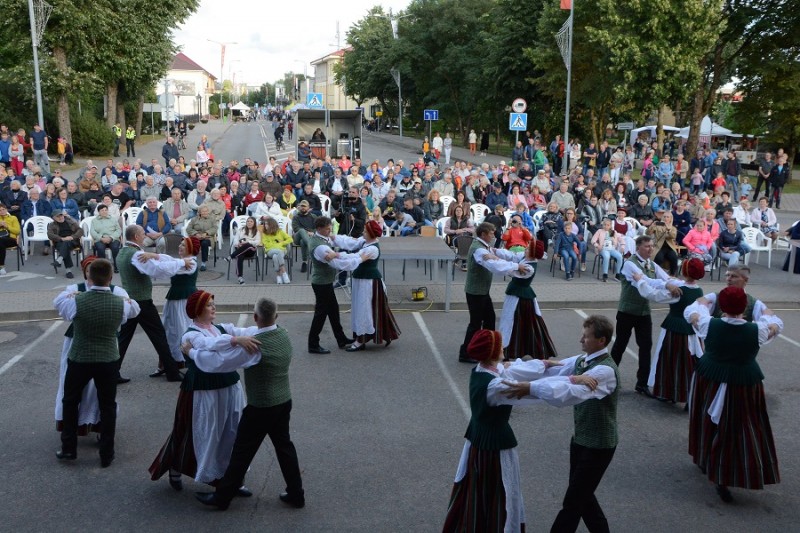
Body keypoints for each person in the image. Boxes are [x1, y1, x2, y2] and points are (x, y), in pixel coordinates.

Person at [501, 315, 620, 533]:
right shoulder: (583, 361)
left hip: (599, 445)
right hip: (581, 441)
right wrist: (512, 368)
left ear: (601, 341)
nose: (580, 340)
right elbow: (553, 368)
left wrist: (532, 388)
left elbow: (570, 392)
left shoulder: (605, 371)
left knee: (573, 502)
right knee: (583, 497)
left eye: (586, 337)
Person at [191, 297, 305, 510]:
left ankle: (222, 498)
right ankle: (296, 494)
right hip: (283, 400)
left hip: (261, 406)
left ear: (255, 317)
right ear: (276, 317)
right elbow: (251, 333)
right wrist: (236, 337)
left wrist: (191, 351)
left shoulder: (255, 347)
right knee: (284, 447)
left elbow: (219, 363)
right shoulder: (282, 334)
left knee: (241, 451)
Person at [149, 290, 259, 493]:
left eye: (213, 303)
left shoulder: (220, 328)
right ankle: (175, 466)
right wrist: (235, 341)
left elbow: (240, 329)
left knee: (232, 433)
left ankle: (232, 480)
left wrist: (267, 328)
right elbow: (208, 345)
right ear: (198, 310)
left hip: (229, 388)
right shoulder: (191, 335)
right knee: (194, 431)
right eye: (209, 305)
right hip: (203, 391)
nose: (214, 307)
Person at [684, 287, 781, 503]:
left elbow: (691, 312)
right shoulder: (759, 329)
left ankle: (705, 458)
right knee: (740, 427)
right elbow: (775, 323)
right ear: (744, 308)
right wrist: (770, 319)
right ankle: (727, 473)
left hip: (710, 377)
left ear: (722, 307)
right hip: (743, 383)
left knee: (706, 419)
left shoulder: (709, 324)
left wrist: (704, 300)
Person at [443, 329, 544, 532]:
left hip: (478, 442)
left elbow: (513, 368)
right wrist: (572, 382)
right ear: (492, 353)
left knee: (478, 493)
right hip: (494, 448)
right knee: (500, 494)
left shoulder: (482, 371)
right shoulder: (495, 385)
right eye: (499, 345)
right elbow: (534, 392)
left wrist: (547, 364)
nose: (503, 347)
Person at [55, 258, 139, 467]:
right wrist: (126, 302)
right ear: (110, 279)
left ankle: (68, 449)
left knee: (70, 401)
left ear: (89, 278)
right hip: (108, 359)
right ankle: (106, 454)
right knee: (107, 405)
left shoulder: (76, 301)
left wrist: (75, 294)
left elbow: (59, 304)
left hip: (80, 357)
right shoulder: (121, 303)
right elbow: (135, 309)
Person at [116, 225, 187, 383]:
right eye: (142, 234)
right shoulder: (136, 254)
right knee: (159, 336)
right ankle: (172, 372)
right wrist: (179, 264)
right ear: (136, 237)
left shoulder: (122, 252)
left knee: (124, 338)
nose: (144, 236)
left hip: (130, 300)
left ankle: (113, 372)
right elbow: (156, 271)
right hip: (142, 302)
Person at [630, 258, 705, 404]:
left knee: (670, 360)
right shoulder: (698, 290)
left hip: (675, 330)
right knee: (689, 361)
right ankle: (689, 394)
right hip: (691, 330)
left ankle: (669, 392)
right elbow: (669, 283)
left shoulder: (679, 291)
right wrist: (667, 281)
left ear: (685, 272)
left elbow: (654, 295)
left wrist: (640, 281)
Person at [612, 235, 679, 397]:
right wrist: (667, 284)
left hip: (643, 313)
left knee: (646, 347)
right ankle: (608, 380)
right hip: (627, 312)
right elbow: (648, 282)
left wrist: (686, 284)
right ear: (638, 248)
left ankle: (642, 384)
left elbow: (667, 278)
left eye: (652, 246)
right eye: (647, 246)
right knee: (620, 346)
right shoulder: (629, 264)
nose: (651, 249)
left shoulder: (652, 264)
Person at [458, 222, 531, 363]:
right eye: (491, 233)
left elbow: (502, 255)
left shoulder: (485, 247)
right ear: (483, 234)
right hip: (475, 292)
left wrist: (523, 254)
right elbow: (495, 266)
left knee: (490, 320)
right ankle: (466, 352)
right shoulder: (479, 250)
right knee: (475, 323)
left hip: (481, 291)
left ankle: (486, 348)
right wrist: (516, 266)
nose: (493, 235)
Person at [307, 216, 369, 354]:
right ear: (319, 229)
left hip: (325, 282)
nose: (330, 230)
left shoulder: (324, 238)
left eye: (330, 227)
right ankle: (313, 344)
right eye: (327, 228)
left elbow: (341, 242)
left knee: (333, 311)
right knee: (321, 314)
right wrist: (359, 259)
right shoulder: (320, 247)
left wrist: (337, 253)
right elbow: (339, 264)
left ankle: (341, 339)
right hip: (321, 283)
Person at [497, 238, 557, 360]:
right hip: (517, 296)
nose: (526, 248)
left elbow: (508, 269)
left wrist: (494, 259)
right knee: (516, 323)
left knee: (514, 323)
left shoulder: (529, 268)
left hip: (520, 300)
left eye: (529, 248)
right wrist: (494, 251)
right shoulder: (525, 258)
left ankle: (508, 351)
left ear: (533, 252)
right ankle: (509, 351)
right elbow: (511, 255)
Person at [155, 236, 201, 377]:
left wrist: (153, 256)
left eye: (183, 245)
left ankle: (185, 360)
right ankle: (171, 362)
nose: (180, 247)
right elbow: (171, 262)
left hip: (184, 300)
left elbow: (170, 266)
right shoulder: (181, 262)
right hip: (174, 299)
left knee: (182, 329)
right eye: (180, 244)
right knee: (169, 329)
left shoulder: (191, 263)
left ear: (191, 249)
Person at [47, 209, 83, 279]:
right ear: (54, 218)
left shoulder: (70, 221)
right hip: (60, 241)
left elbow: (80, 230)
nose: (61, 217)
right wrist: (61, 238)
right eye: (58, 216)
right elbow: (50, 235)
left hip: (73, 241)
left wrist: (72, 237)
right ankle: (67, 270)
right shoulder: (51, 225)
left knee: (65, 245)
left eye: (61, 215)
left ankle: (62, 262)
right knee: (65, 246)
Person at [227, 216, 260, 285]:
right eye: (248, 221)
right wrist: (238, 244)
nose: (249, 223)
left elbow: (257, 242)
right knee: (239, 256)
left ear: (254, 223)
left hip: (251, 250)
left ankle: (231, 256)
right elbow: (235, 240)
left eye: (251, 221)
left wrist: (248, 241)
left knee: (247, 244)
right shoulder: (241, 230)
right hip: (240, 250)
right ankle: (240, 278)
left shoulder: (256, 231)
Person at [261, 216, 292, 284]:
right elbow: (266, 245)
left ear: (272, 225)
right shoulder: (265, 234)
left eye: (267, 224)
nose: (265, 225)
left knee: (275, 256)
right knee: (278, 252)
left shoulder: (280, 231)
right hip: (270, 251)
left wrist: (282, 242)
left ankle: (278, 276)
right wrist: (278, 245)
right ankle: (284, 272)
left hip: (281, 250)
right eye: (265, 224)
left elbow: (290, 239)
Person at [90, 204, 122, 272]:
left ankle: (117, 265)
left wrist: (111, 237)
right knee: (100, 248)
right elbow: (92, 231)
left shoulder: (113, 219)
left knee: (115, 247)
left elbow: (118, 230)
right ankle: (103, 267)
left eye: (106, 210)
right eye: (102, 210)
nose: (104, 212)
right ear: (99, 212)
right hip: (100, 239)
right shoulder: (94, 220)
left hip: (113, 238)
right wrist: (101, 238)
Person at [647, 210, 679, 275]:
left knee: (674, 258)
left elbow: (673, 236)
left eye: (668, 217)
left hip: (669, 247)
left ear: (670, 219)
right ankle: (657, 274)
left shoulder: (673, 228)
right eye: (664, 217)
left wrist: (668, 229)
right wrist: (651, 226)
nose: (666, 218)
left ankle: (673, 274)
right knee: (659, 258)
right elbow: (648, 233)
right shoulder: (657, 226)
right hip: (658, 247)